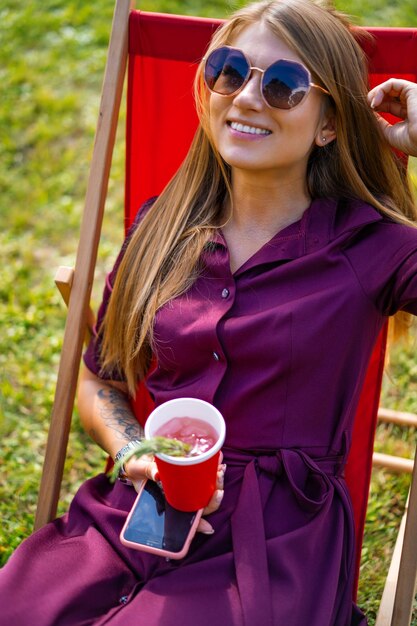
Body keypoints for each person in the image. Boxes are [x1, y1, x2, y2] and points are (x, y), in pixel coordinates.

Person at [1, 1, 417, 624]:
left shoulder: (370, 248)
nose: (248, 97)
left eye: (283, 85)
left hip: (272, 546)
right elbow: (101, 380)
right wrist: (135, 450)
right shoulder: (161, 227)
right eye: (228, 70)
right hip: (138, 514)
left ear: (328, 124)